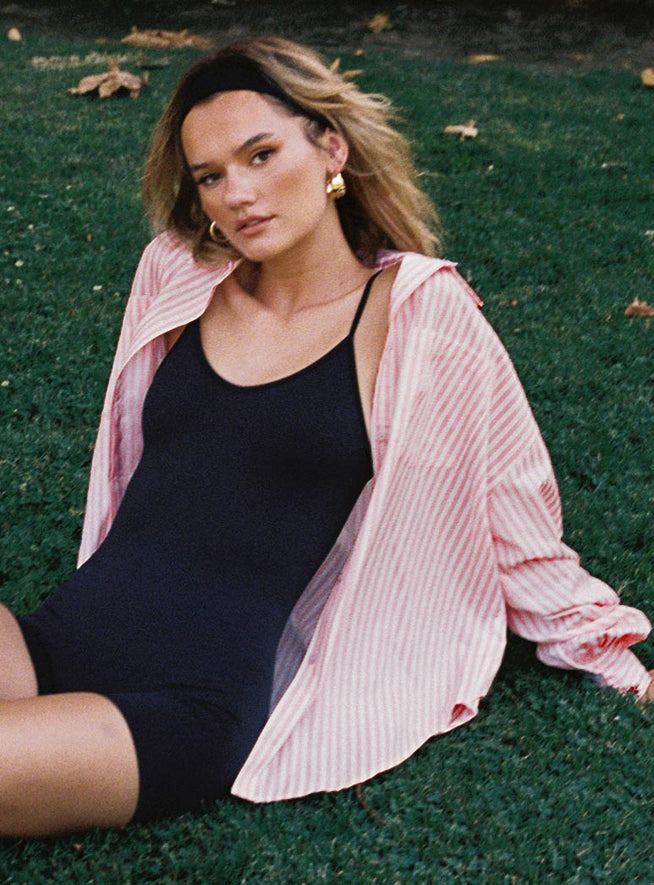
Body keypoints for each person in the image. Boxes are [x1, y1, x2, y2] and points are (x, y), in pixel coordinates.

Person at [0, 36, 652, 838]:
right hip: (54, 638)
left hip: (185, 707)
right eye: (210, 176)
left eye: (261, 154)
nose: (238, 193)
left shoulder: (416, 313)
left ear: (330, 148)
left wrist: (615, 659)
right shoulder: (177, 272)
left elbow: (514, 520)